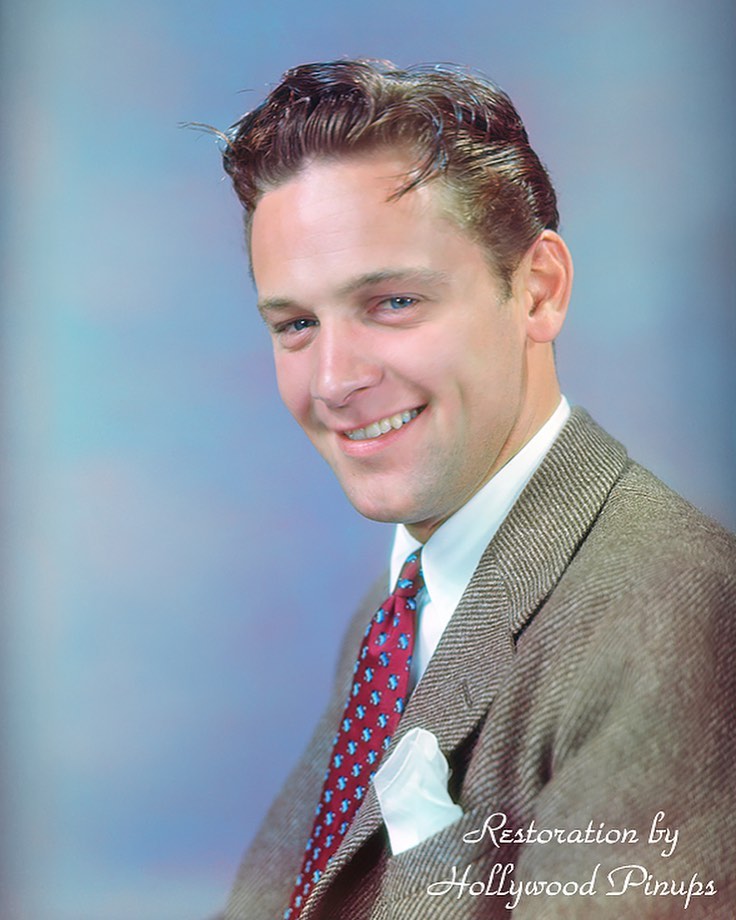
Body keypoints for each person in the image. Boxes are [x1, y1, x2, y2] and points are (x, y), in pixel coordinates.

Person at [215, 60, 735, 919]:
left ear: (538, 291)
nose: (335, 380)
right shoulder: (396, 617)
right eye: (296, 324)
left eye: (392, 302)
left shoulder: (678, 621)